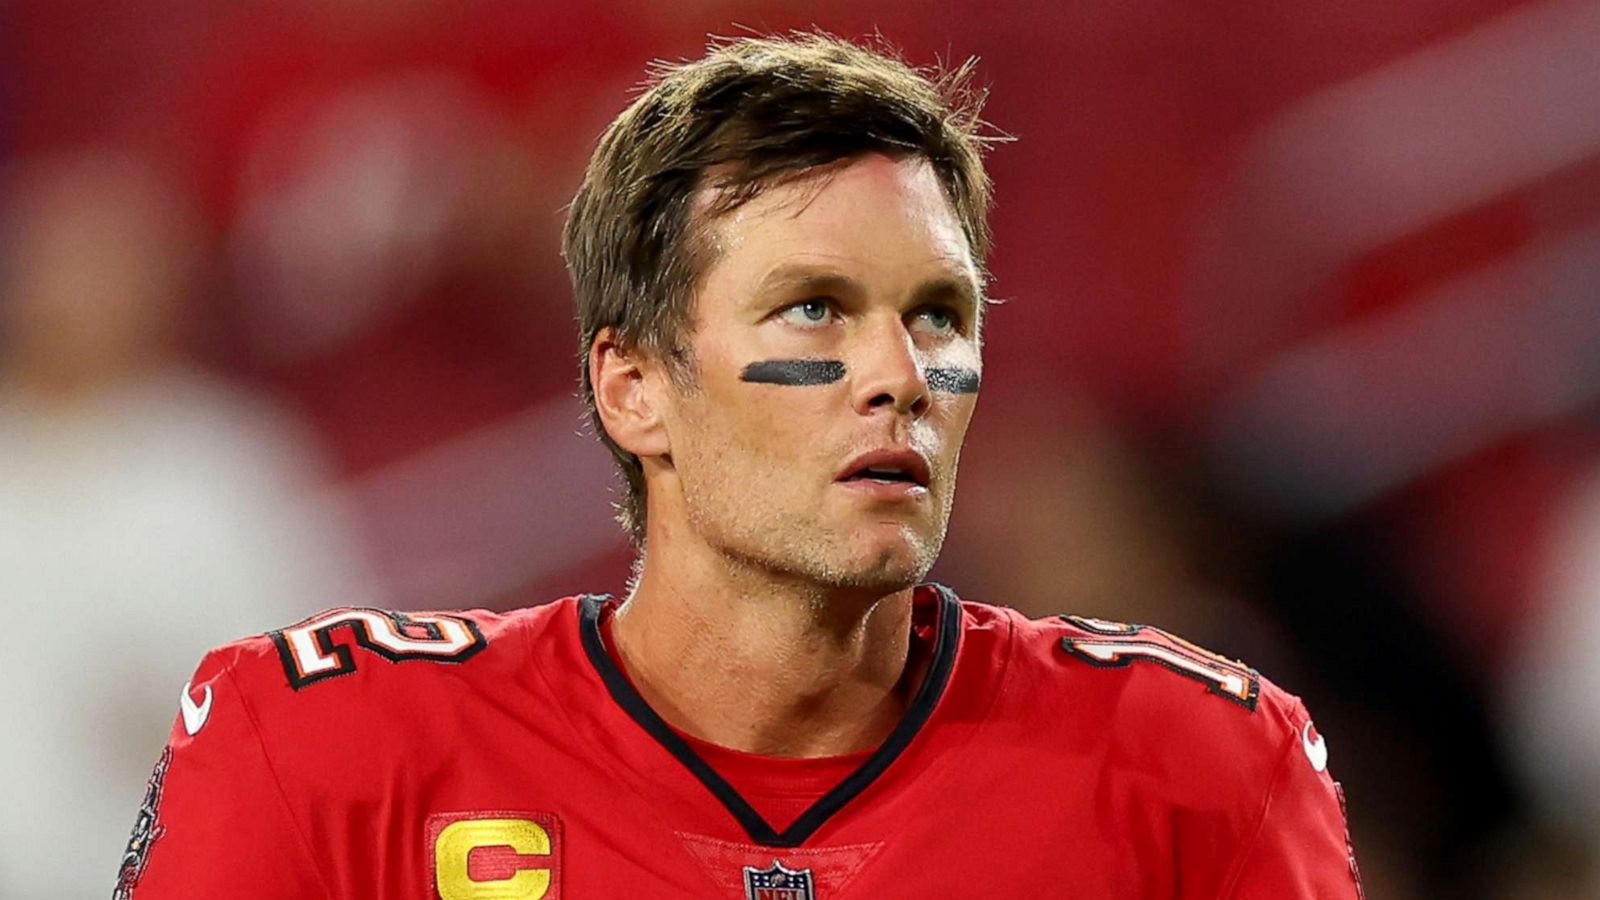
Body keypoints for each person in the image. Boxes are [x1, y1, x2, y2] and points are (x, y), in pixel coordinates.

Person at [118, 34, 1363, 899]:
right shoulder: (323, 751)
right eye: (813, 310)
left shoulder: (1195, 765)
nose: (899, 373)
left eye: (937, 314)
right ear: (633, 389)